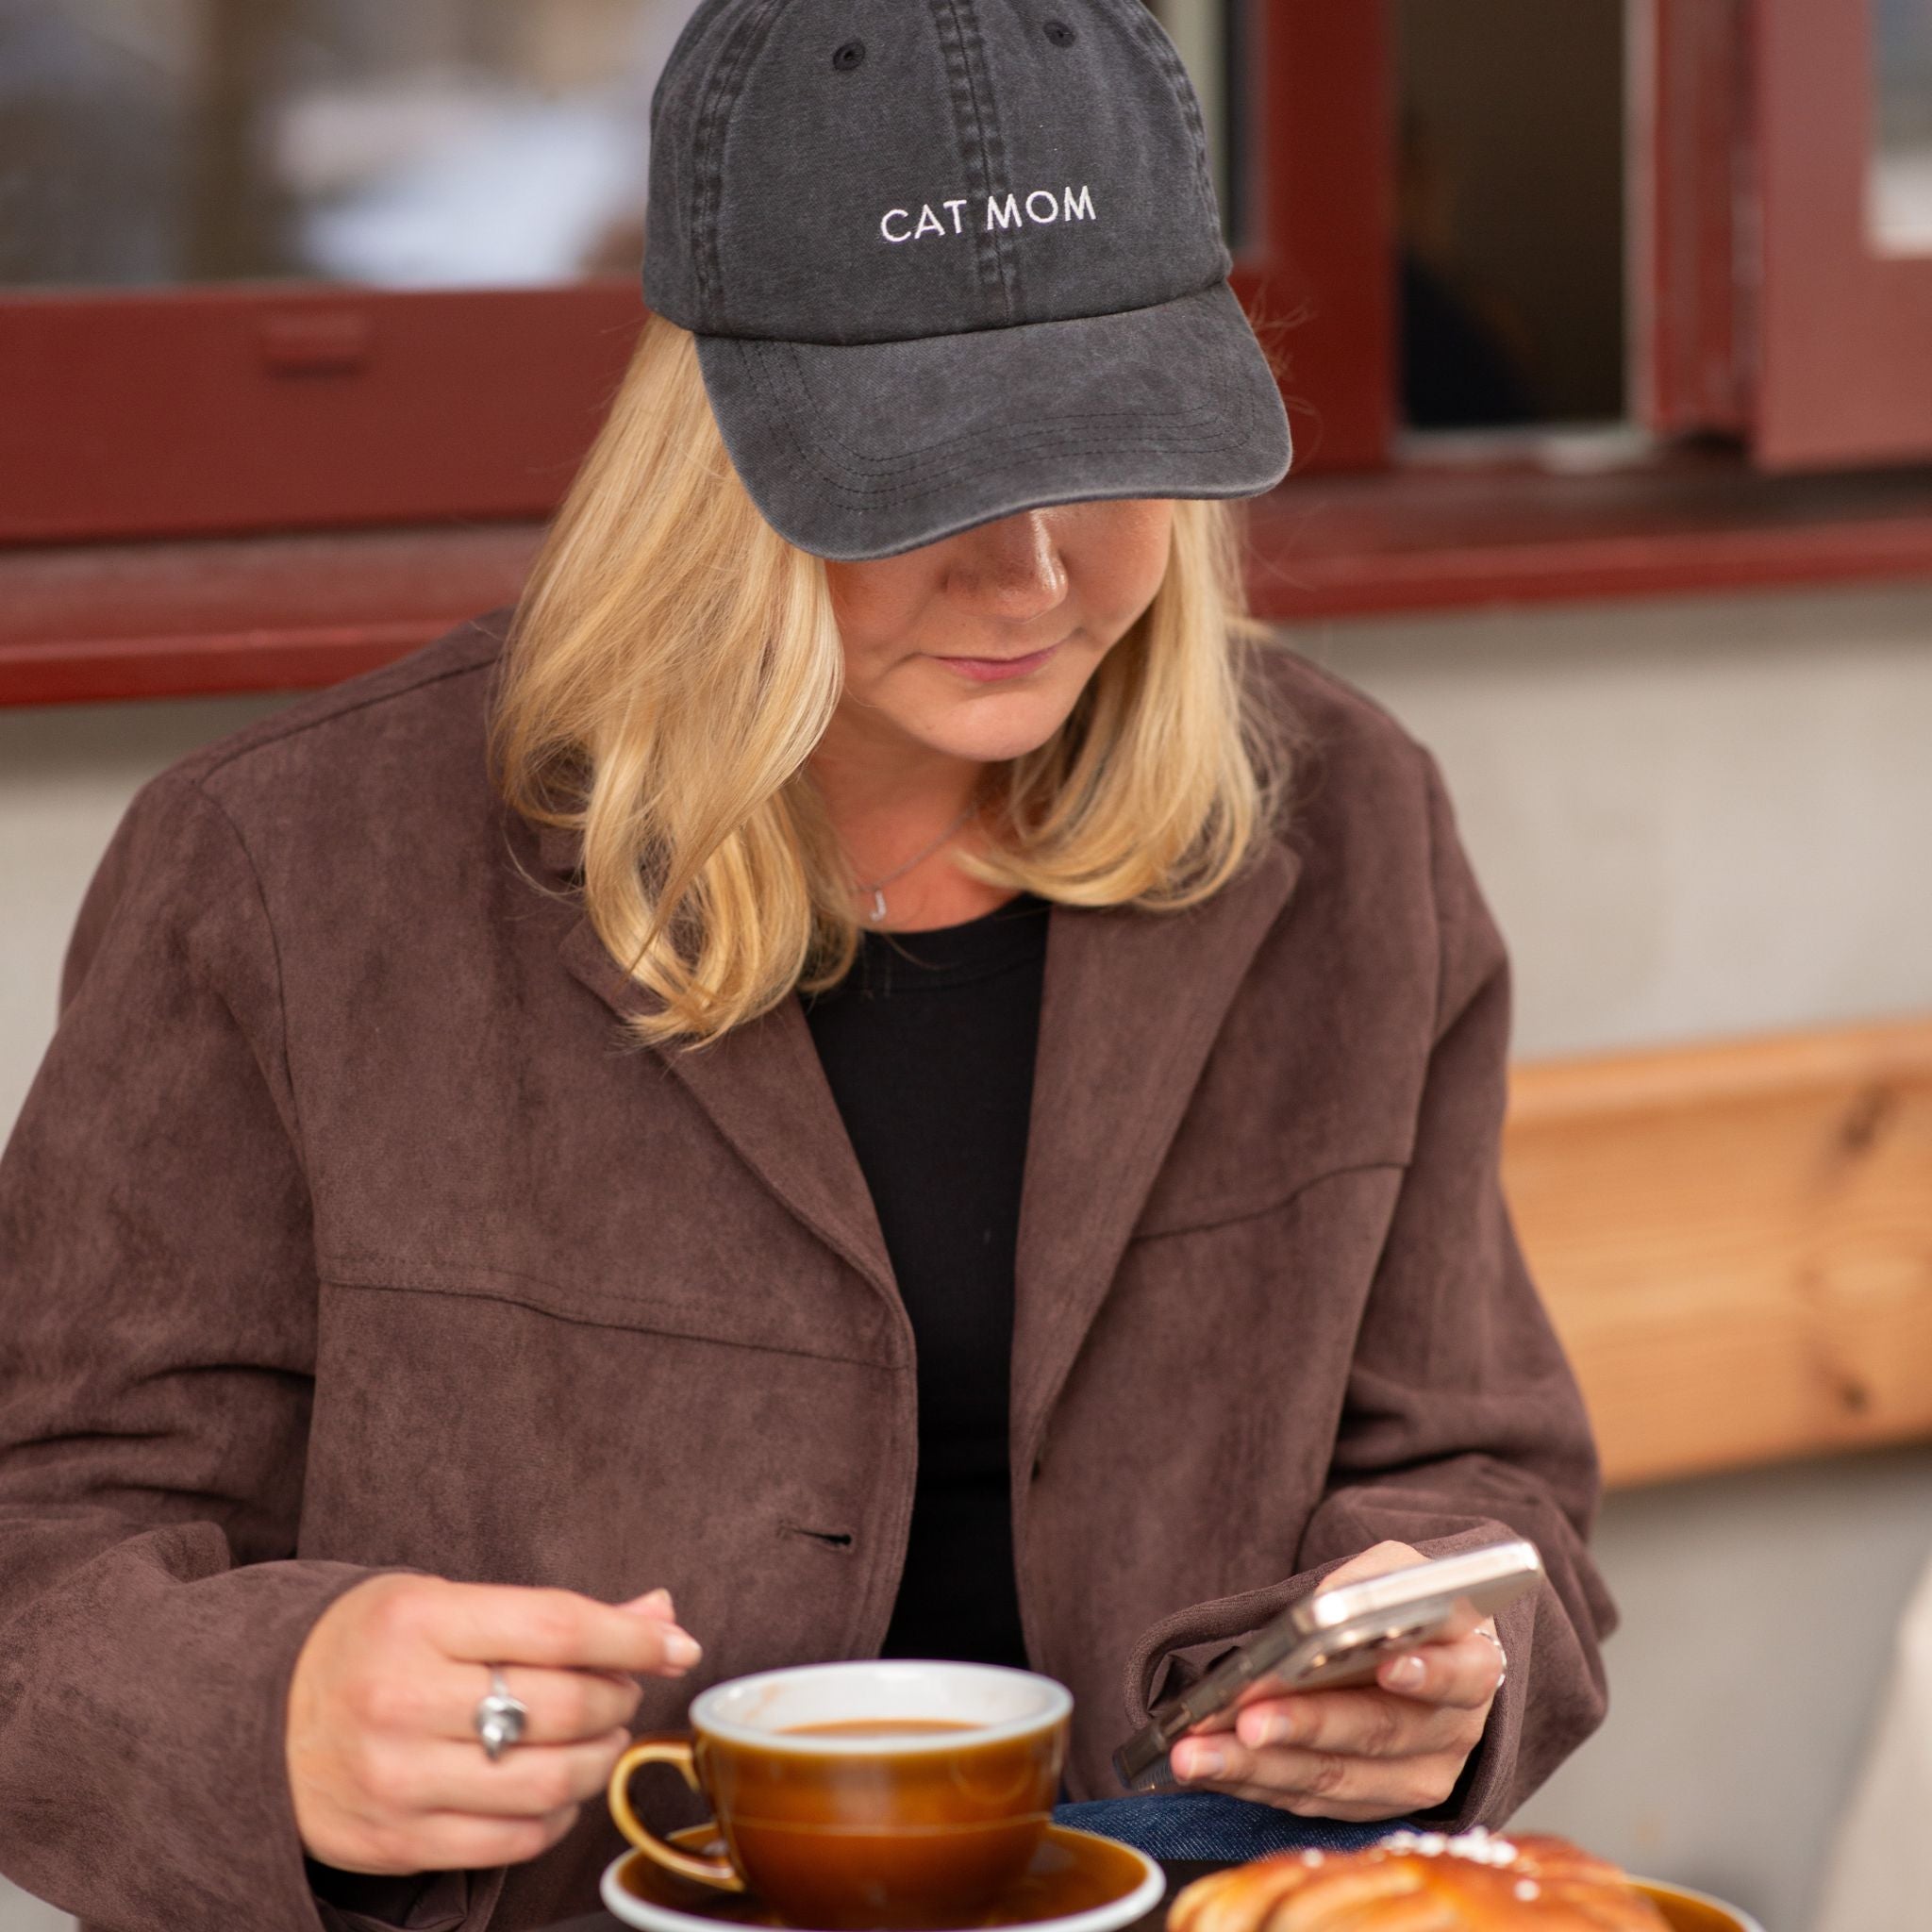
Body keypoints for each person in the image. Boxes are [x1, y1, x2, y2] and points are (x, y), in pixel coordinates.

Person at [0, 3, 1617, 1928]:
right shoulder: (282, 872)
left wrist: (1432, 1674)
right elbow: (44, 1548)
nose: (1030, 577)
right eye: (929, 474)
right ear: (715, 458)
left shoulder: (1343, 827)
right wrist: (256, 1713)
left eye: (1107, 457)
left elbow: (1475, 1468)